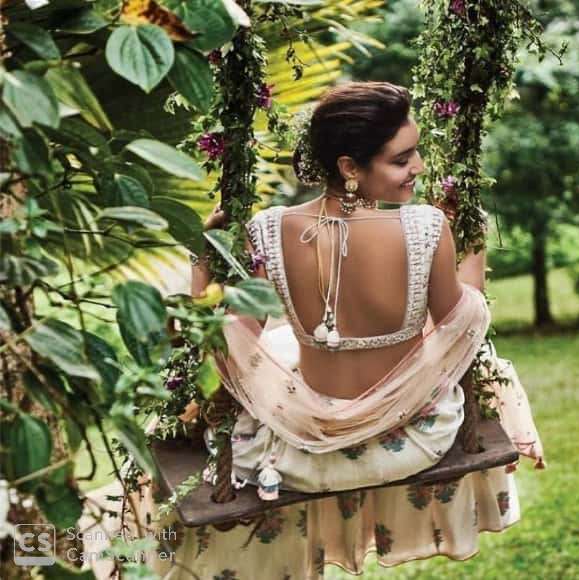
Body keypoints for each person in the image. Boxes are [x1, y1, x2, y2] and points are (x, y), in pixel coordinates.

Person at [90, 81, 544, 579]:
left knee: (279, 346)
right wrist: (472, 243)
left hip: (294, 454)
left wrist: (204, 261)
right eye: (401, 159)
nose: (418, 167)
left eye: (415, 154)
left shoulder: (268, 229)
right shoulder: (427, 228)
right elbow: (463, 322)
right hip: (411, 443)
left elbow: (227, 342)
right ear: (349, 168)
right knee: (483, 361)